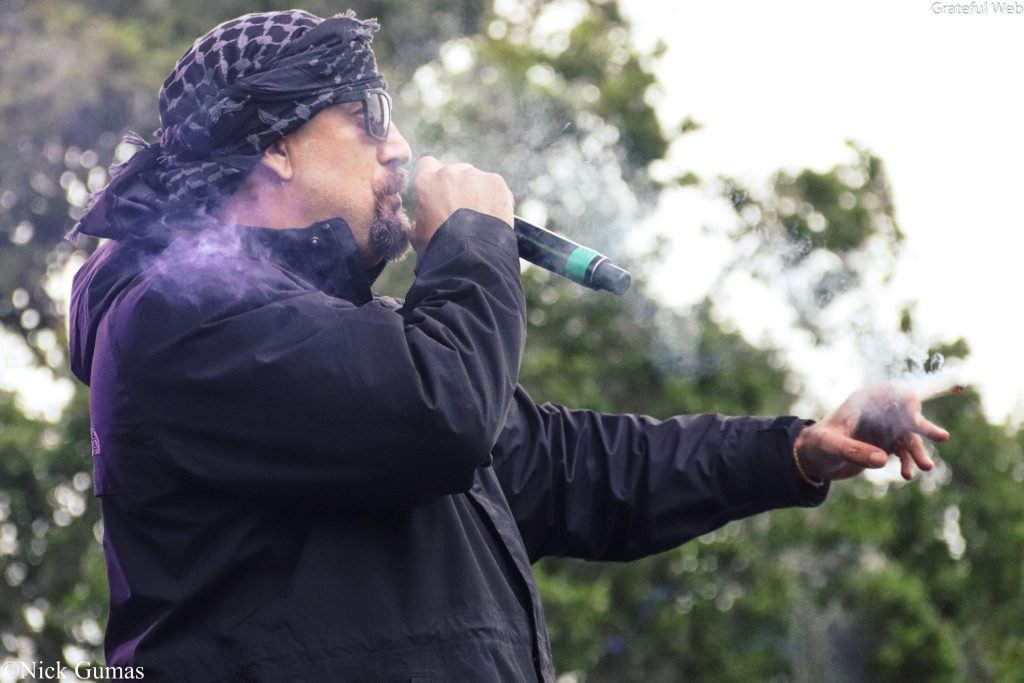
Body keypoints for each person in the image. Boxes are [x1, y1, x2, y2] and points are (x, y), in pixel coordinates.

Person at [67, 10, 948, 682]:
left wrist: (794, 448)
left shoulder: (339, 340)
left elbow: (572, 466)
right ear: (276, 149)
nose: (398, 149)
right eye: (368, 116)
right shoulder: (175, 318)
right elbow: (442, 411)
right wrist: (474, 239)